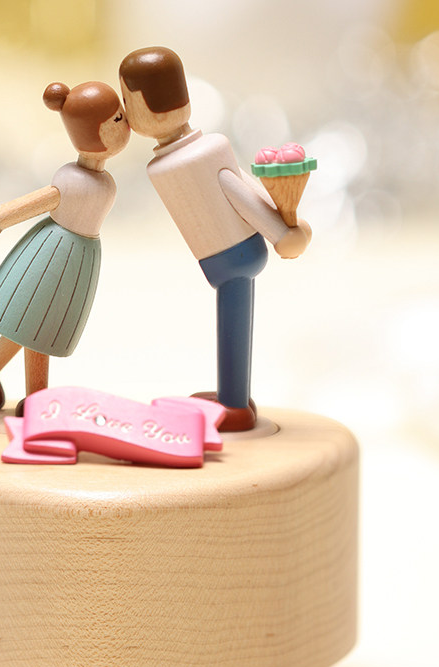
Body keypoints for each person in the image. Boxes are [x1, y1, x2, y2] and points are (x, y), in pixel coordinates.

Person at [119, 47, 311, 430]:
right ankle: (231, 396)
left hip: (235, 254)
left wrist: (279, 232)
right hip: (220, 255)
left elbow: (236, 189)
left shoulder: (205, 153)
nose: (123, 112)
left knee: (232, 325)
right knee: (232, 324)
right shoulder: (170, 163)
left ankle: (235, 405)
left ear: (146, 103)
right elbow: (237, 184)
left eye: (127, 100)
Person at [0, 81, 130, 412]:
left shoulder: (104, 182)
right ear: (90, 132)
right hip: (52, 255)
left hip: (80, 257)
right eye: (116, 119)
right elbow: (41, 200)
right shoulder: (70, 179)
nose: (125, 125)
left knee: (33, 321)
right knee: (38, 323)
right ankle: (35, 399)